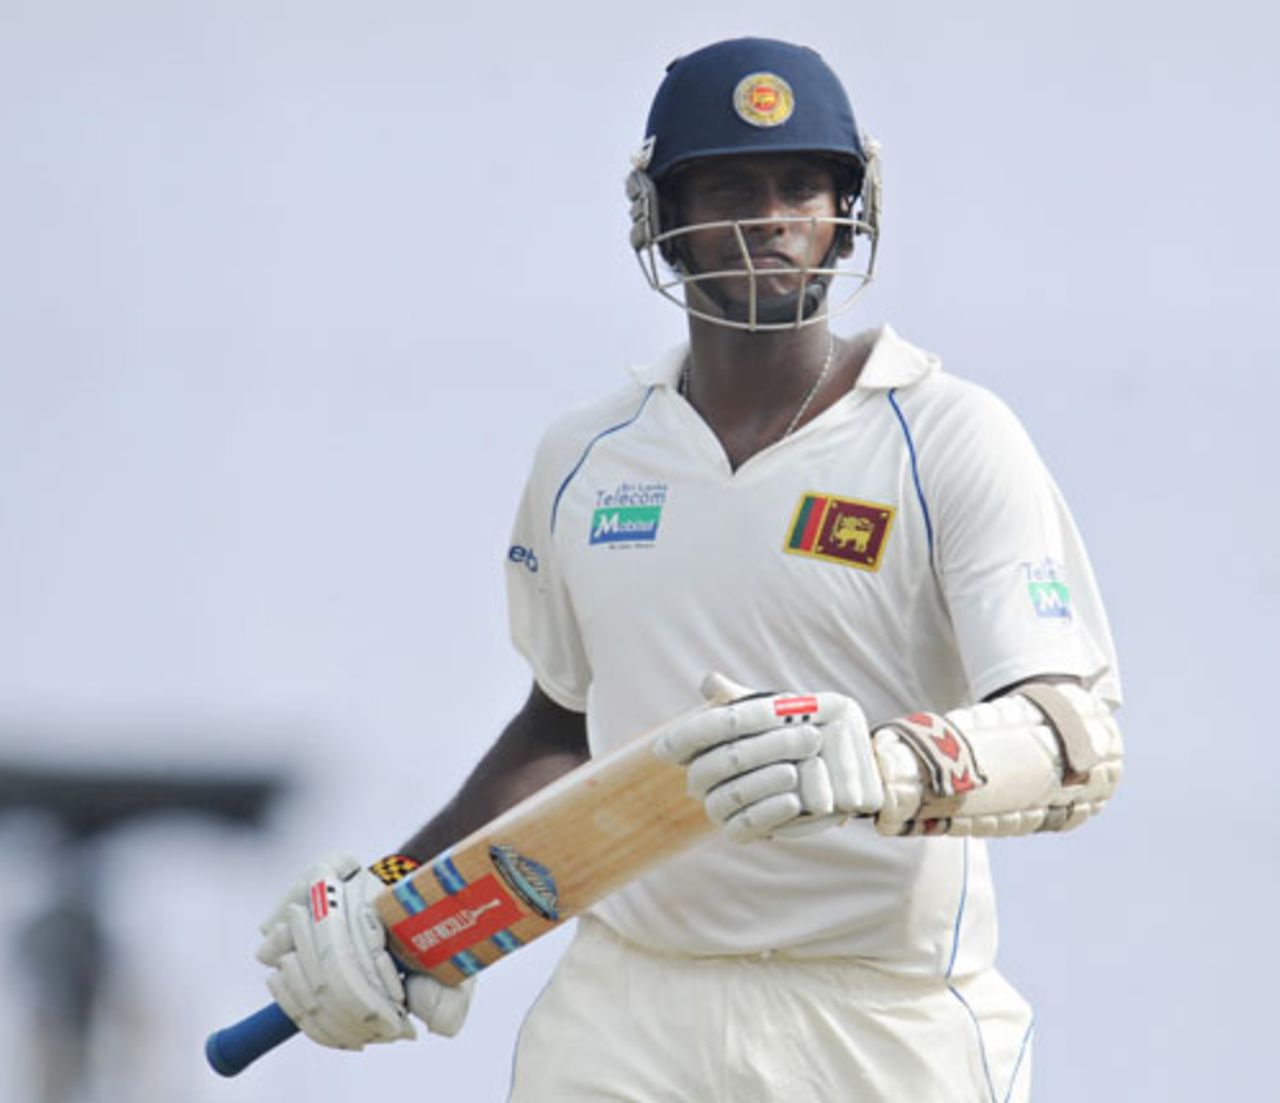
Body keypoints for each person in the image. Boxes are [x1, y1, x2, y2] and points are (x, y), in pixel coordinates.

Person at [255, 37, 1124, 1101]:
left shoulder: (943, 433)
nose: (770, 218)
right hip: (628, 1006)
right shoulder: (588, 455)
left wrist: (888, 765)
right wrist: (397, 900)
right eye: (728, 187)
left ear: (849, 208)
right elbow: (567, 725)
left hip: (875, 1011)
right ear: (659, 219)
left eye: (800, 184)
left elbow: (1072, 737)